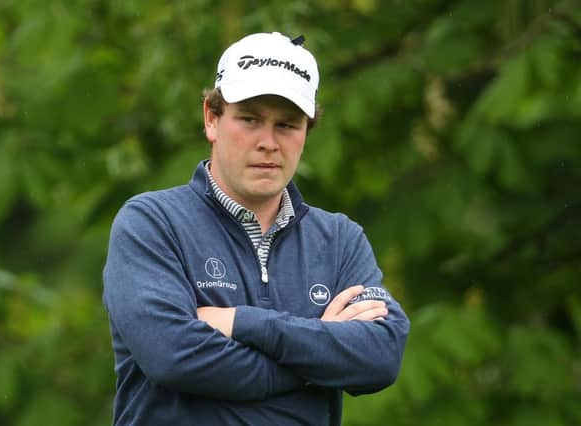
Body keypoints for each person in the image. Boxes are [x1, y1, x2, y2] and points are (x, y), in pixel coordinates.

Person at [103, 31, 410, 426]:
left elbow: (380, 356)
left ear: (306, 132)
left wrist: (238, 323)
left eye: (287, 124)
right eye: (249, 119)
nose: (268, 142)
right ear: (212, 118)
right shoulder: (152, 222)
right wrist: (319, 351)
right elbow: (173, 357)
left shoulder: (339, 240)